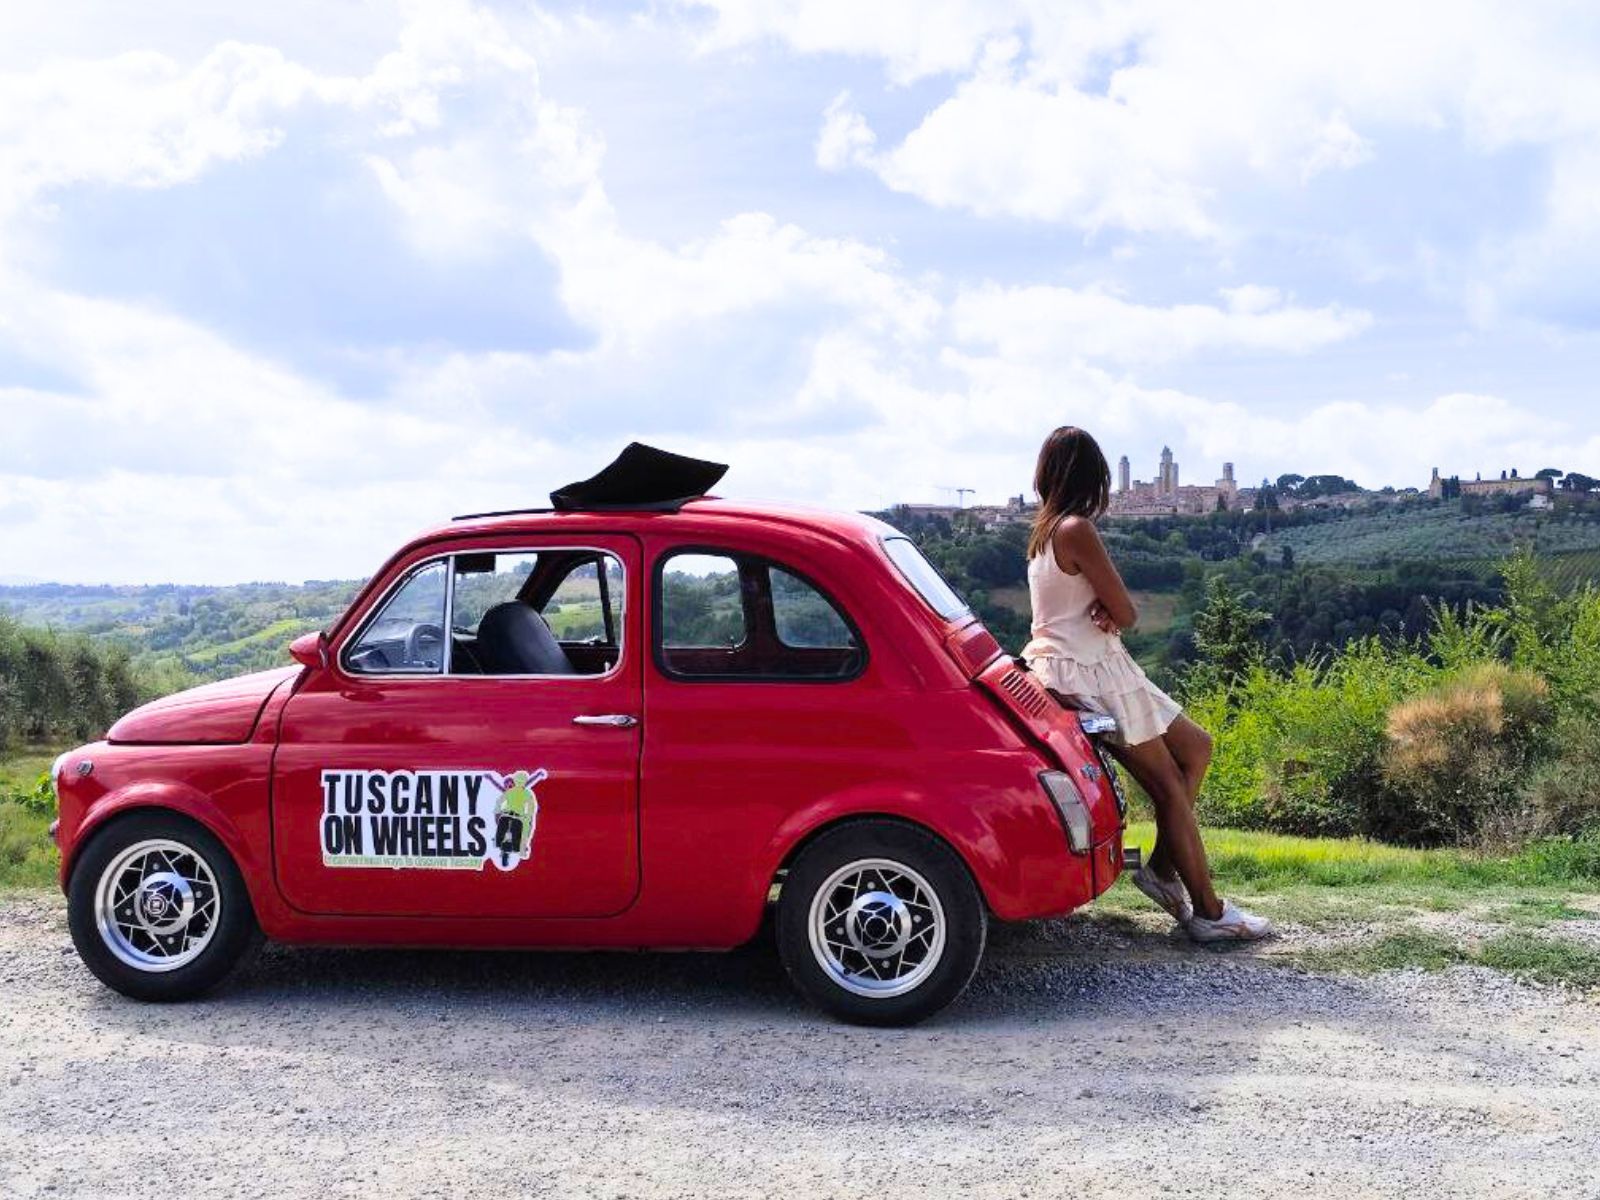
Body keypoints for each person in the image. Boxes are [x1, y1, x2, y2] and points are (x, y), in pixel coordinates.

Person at [1021, 426, 1271, 942]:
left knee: (1196, 748)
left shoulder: (1044, 533)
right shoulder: (1075, 530)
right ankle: (1207, 911)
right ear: (1094, 477)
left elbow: (1100, 610)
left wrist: (1105, 610)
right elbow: (1128, 612)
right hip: (1089, 674)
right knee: (1170, 787)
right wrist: (1110, 610)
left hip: (1092, 665)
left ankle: (1161, 867)